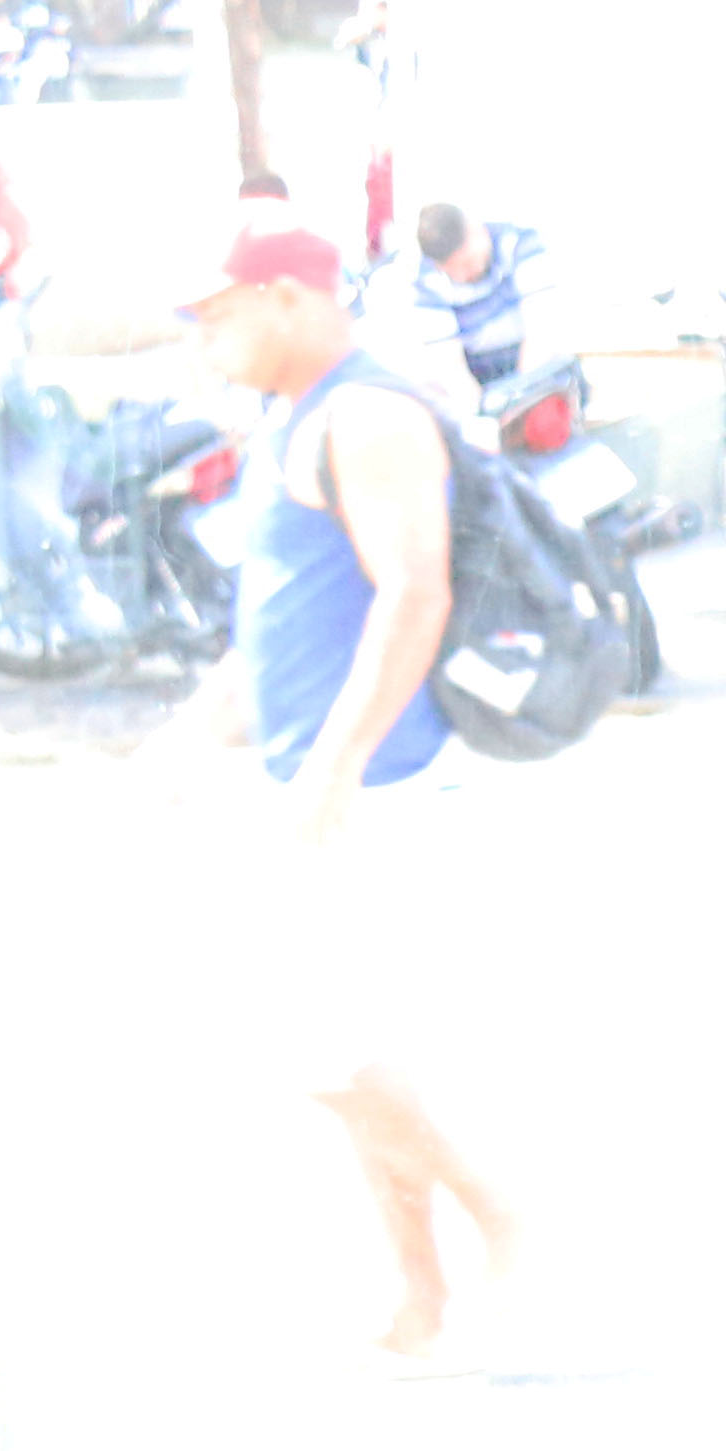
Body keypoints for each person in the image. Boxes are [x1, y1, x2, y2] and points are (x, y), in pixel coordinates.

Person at [183, 224, 523, 1364]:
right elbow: (284, 617)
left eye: (219, 311)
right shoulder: (294, 418)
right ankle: (421, 1297)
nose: (205, 335)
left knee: (319, 1049)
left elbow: (413, 592)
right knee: (352, 1047)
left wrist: (333, 767)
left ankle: (502, 1217)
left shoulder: (367, 414)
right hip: (325, 782)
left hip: (378, 786)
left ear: (288, 297)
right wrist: (189, 743)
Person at [385, 196, 546, 401]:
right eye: (451, 272)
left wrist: (523, 396)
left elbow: (543, 328)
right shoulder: (426, 281)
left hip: (536, 366)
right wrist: (483, 411)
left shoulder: (519, 243)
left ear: (477, 232)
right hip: (479, 376)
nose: (461, 277)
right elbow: (450, 366)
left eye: (467, 264)